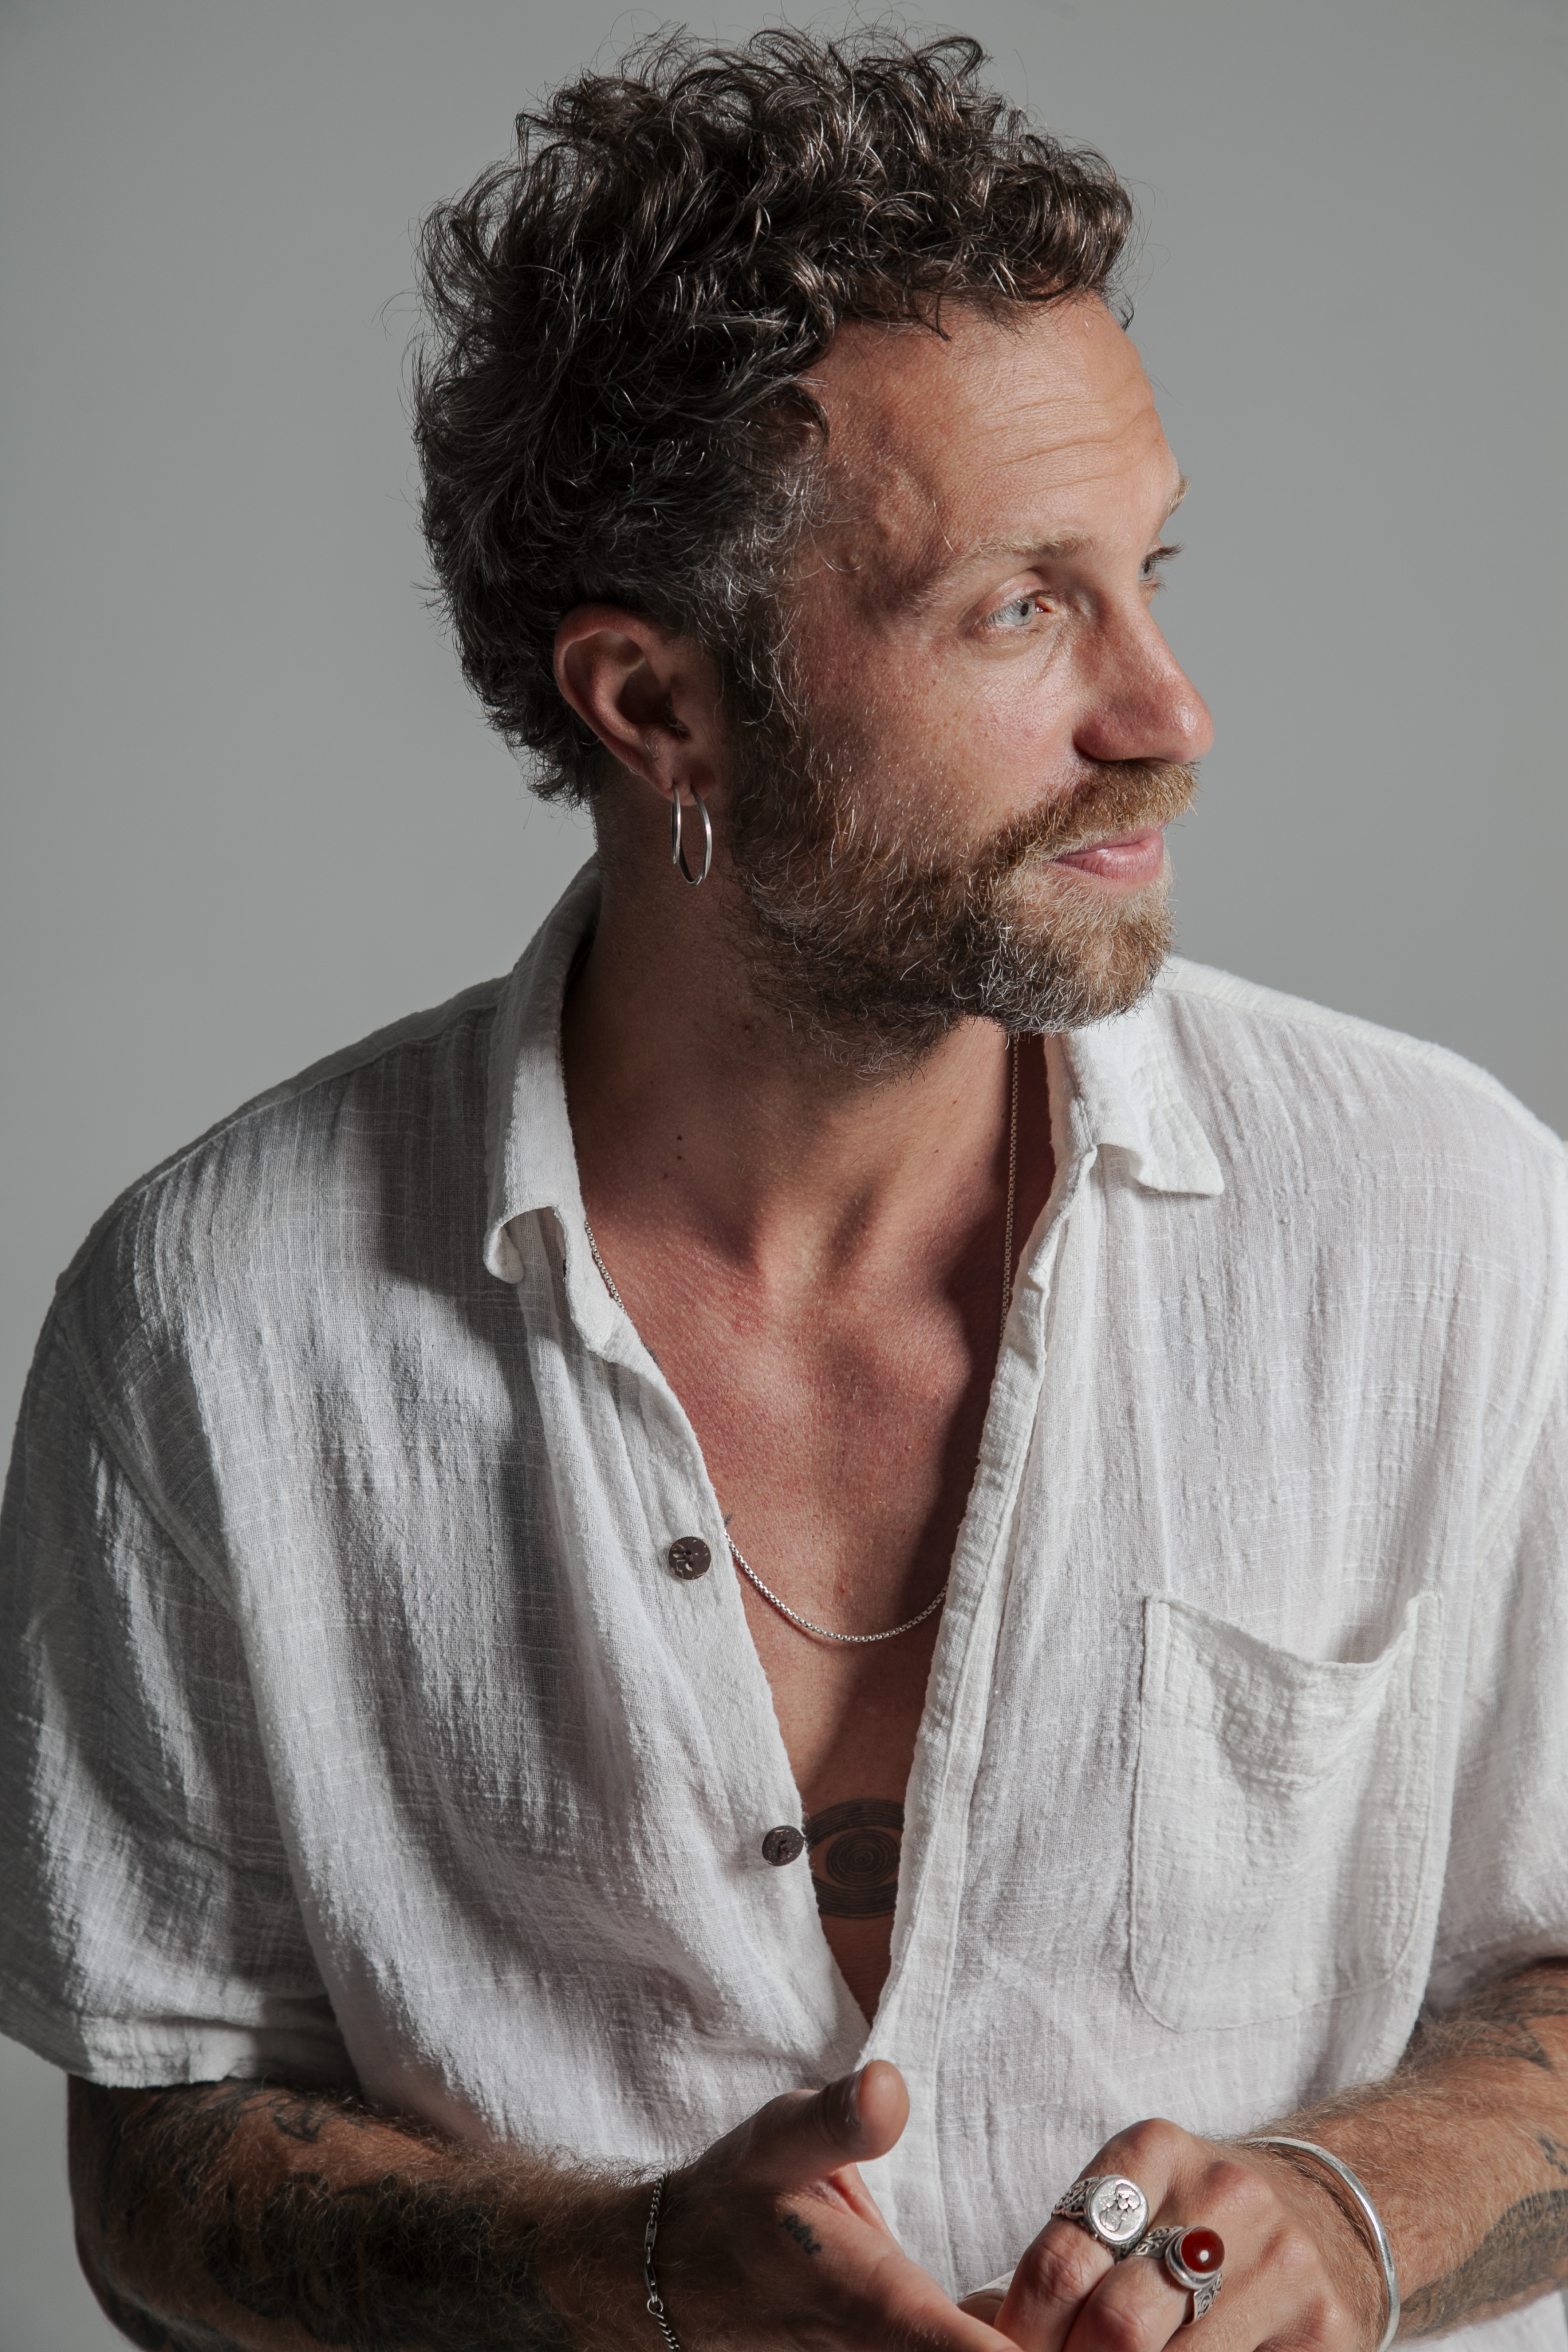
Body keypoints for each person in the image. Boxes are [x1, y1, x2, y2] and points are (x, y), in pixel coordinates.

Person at [2, 27, 1565, 2352]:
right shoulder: (216, 1326)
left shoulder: (1447, 1221)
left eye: (1145, 569)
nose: (1169, 711)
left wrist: (1347, 2217)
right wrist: (618, 2279)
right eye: (1019, 610)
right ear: (657, 709)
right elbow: (164, 2152)